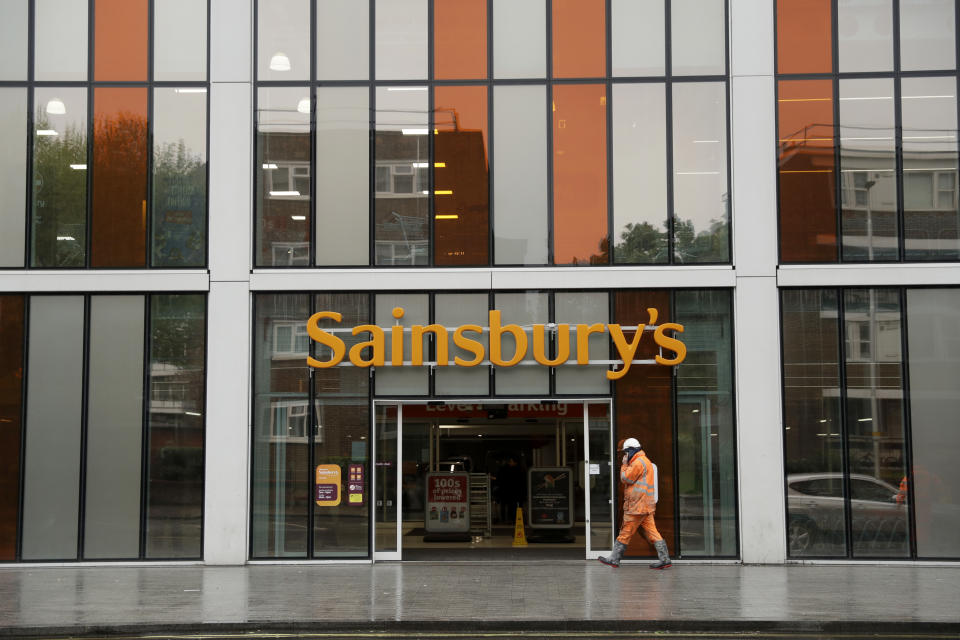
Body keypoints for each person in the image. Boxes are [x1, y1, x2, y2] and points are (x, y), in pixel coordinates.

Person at [598, 438, 671, 569]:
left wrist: (624, 465)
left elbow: (625, 478)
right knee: (653, 532)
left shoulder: (638, 462)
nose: (624, 456)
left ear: (631, 451)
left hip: (637, 506)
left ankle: (614, 559)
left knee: (625, 531)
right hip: (645, 505)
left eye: (626, 453)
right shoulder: (645, 461)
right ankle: (665, 559)